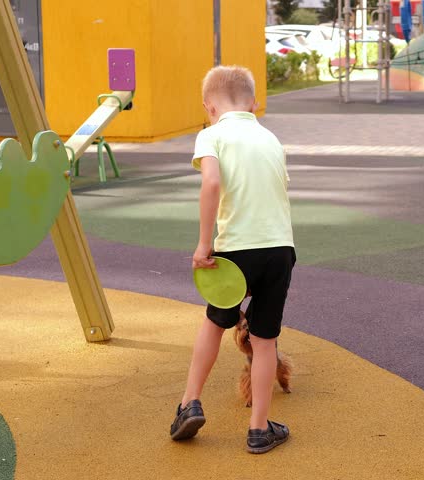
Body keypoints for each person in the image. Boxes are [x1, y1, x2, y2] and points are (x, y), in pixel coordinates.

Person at [170, 65, 296, 454]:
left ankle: (190, 402)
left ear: (209, 108)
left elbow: (211, 183)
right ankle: (259, 430)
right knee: (264, 341)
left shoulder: (212, 135)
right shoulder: (271, 138)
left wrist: (204, 243)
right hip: (279, 250)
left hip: (236, 249)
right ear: (255, 104)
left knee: (215, 322)